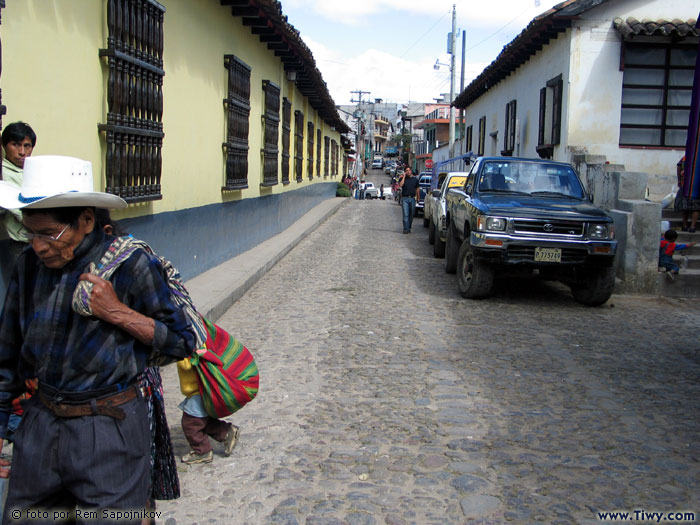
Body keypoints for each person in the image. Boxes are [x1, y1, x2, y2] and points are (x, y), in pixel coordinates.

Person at [0, 156, 197, 521]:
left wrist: (116, 311)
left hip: (108, 428)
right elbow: (7, 352)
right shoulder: (29, 266)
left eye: (49, 234)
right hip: (41, 425)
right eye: (31, 233)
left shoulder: (132, 266)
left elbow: (182, 342)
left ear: (87, 221)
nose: (39, 245)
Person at [177, 358, 239, 464]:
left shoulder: (189, 345)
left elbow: (187, 365)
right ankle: (226, 432)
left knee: (190, 423)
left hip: (197, 389)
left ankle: (202, 451)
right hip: (199, 388)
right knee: (200, 420)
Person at [0, 122, 36, 269]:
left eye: (27, 146)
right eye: (15, 145)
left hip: (41, 240)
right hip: (20, 244)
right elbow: (19, 210)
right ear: (4, 145)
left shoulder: (34, 169)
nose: (22, 152)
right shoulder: (3, 173)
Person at [674, 156, 700, 232]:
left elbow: (679, 167)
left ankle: (685, 225)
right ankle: (692, 226)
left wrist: (679, 180)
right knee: (696, 206)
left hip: (685, 184)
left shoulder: (687, 156)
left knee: (685, 205)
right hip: (696, 185)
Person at [399, 166, 420, 233]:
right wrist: (404, 177)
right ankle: (406, 229)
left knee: (411, 215)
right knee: (405, 215)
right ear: (405, 172)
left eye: (409, 170)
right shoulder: (403, 179)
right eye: (406, 170)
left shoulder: (415, 180)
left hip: (412, 199)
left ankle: (409, 226)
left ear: (411, 171)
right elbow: (401, 185)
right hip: (405, 198)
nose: (408, 171)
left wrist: (418, 197)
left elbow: (417, 188)